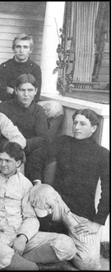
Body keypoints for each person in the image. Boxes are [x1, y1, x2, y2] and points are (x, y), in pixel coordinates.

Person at [0, 142, 77, 270]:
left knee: (67, 245)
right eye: (0, 160)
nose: (2, 164)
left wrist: (23, 237)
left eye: (7, 161)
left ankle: (17, 262)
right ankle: (35, 267)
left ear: (18, 163)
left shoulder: (25, 184)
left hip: (20, 234)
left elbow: (31, 217)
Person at [28, 108, 110, 270]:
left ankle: (62, 248)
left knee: (89, 263)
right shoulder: (62, 142)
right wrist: (38, 184)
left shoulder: (102, 154)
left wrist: (97, 222)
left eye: (82, 124)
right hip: (56, 205)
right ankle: (48, 247)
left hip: (80, 215)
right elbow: (36, 157)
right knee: (44, 192)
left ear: (93, 128)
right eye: (75, 123)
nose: (76, 127)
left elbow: (108, 189)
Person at [0, 33, 64, 143]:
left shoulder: (35, 69)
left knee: (56, 108)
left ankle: (47, 142)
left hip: (29, 105)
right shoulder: (4, 67)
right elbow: (0, 93)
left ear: (30, 50)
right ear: (13, 49)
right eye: (18, 47)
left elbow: (36, 96)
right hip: (9, 105)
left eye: (25, 47)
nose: (21, 50)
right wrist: (18, 95)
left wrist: (13, 91)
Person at [0, 73, 48, 181]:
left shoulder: (38, 111)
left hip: (27, 150)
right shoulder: (2, 108)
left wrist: (21, 145)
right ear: (16, 90)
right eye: (22, 90)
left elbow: (42, 138)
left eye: (30, 90)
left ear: (36, 91)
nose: (26, 94)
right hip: (5, 150)